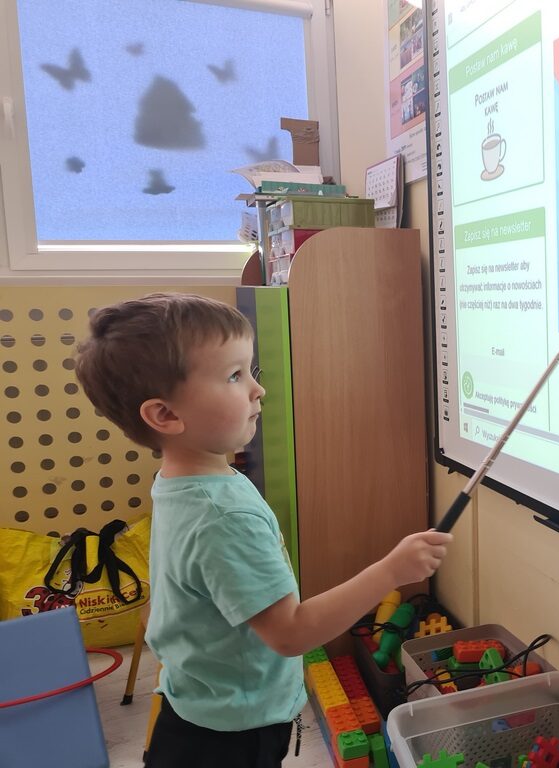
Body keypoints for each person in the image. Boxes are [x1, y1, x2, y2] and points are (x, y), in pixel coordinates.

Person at [75, 293, 451, 768]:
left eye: (250, 371)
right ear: (165, 415)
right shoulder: (223, 515)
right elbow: (291, 634)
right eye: (234, 376)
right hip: (231, 735)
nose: (258, 389)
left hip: (201, 706)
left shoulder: (182, 481)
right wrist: (391, 571)